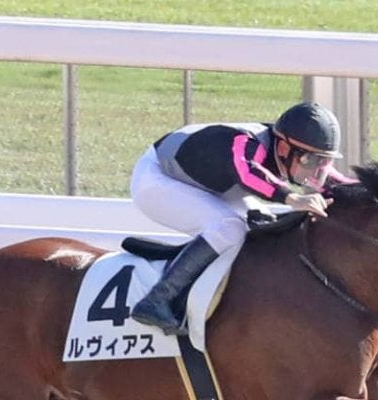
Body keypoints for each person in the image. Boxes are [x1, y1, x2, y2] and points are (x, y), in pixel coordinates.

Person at [129, 101, 356, 335]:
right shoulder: (246, 142)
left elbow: (338, 184)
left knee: (264, 223)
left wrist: (375, 192)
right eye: (311, 161)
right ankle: (158, 299)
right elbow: (247, 172)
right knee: (230, 228)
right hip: (157, 177)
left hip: (208, 183)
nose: (316, 170)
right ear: (283, 148)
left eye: (323, 161)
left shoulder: (291, 151)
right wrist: (292, 198)